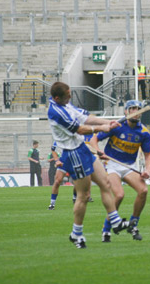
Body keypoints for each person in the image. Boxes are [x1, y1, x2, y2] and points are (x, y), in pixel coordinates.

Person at [48, 81, 130, 249]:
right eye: (68, 95)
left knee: (105, 183)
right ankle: (76, 234)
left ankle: (115, 221)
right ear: (57, 98)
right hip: (73, 154)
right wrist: (103, 128)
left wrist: (108, 122)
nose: (70, 96)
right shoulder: (56, 112)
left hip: (83, 148)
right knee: (84, 196)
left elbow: (86, 117)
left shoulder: (66, 104)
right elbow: (80, 129)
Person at [90, 100, 150, 242]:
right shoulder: (116, 127)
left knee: (143, 191)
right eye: (132, 109)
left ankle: (133, 224)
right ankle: (106, 230)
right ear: (126, 112)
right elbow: (94, 140)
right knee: (119, 195)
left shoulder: (144, 133)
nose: (135, 111)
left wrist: (147, 170)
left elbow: (148, 155)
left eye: (138, 109)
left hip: (129, 166)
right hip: (112, 165)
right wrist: (99, 152)